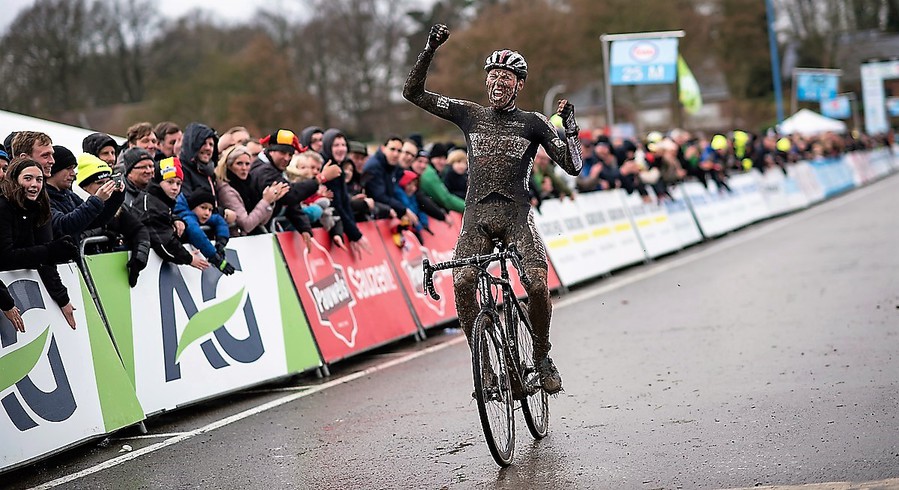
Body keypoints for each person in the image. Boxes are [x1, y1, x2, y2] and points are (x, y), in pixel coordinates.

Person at [404, 24, 583, 394]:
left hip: (517, 216)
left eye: (506, 77)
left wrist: (570, 127)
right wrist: (430, 48)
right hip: (477, 218)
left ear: (519, 84)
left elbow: (573, 166)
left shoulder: (532, 122)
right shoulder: (469, 114)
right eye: (493, 76)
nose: (498, 82)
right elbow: (413, 93)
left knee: (535, 284)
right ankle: (484, 365)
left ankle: (542, 354)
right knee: (463, 281)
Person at [0, 157, 79, 329]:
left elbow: (46, 259)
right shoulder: (3, 206)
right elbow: (5, 257)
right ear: (14, 180)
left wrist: (63, 299)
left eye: (39, 179)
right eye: (28, 178)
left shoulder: (41, 207)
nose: (34, 184)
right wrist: (6, 302)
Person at [249, 129, 341, 244]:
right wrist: (320, 179)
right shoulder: (263, 170)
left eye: (290, 154)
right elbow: (290, 195)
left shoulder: (275, 168)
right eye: (282, 152)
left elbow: (290, 203)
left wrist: (304, 227)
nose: (287, 158)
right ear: (271, 150)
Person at [75, 154, 151, 287]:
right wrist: (105, 234)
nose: (106, 188)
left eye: (107, 182)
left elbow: (139, 229)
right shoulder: (75, 209)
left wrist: (139, 258)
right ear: (83, 188)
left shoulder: (115, 209)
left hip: (111, 281)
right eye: (99, 183)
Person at [125, 157, 208, 271]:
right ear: (158, 182)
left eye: (178, 183)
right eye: (170, 182)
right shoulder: (151, 204)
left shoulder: (161, 202)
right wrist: (188, 258)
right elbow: (164, 243)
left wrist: (175, 219)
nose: (175, 188)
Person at [47, 146, 123, 239]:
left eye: (73, 168)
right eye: (68, 168)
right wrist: (97, 199)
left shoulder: (69, 195)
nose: (73, 174)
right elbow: (64, 225)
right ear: (54, 170)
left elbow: (95, 221)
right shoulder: (43, 197)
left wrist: (116, 196)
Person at [215, 144, 287, 236]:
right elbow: (247, 224)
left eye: (247, 164)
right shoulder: (227, 190)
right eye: (239, 163)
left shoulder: (249, 184)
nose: (244, 168)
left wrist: (270, 201)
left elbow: (261, 221)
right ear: (229, 166)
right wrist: (265, 201)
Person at [174, 190, 235, 275]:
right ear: (193, 207)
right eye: (203, 207)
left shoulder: (199, 215)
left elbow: (219, 220)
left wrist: (221, 243)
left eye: (210, 210)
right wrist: (215, 258)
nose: (207, 213)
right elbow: (196, 233)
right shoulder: (186, 217)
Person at [363, 136, 413, 224]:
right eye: (392, 149)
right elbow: (379, 196)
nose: (395, 154)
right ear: (383, 149)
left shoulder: (391, 166)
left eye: (399, 151)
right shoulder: (374, 166)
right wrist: (403, 210)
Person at [414, 148, 465, 213]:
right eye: (439, 158)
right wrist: (469, 208)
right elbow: (445, 199)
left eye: (444, 158)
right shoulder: (429, 174)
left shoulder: (437, 173)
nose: (442, 162)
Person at [178, 122, 219, 201]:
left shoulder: (210, 173)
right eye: (203, 143)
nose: (208, 148)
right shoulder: (181, 170)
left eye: (211, 144)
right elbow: (189, 202)